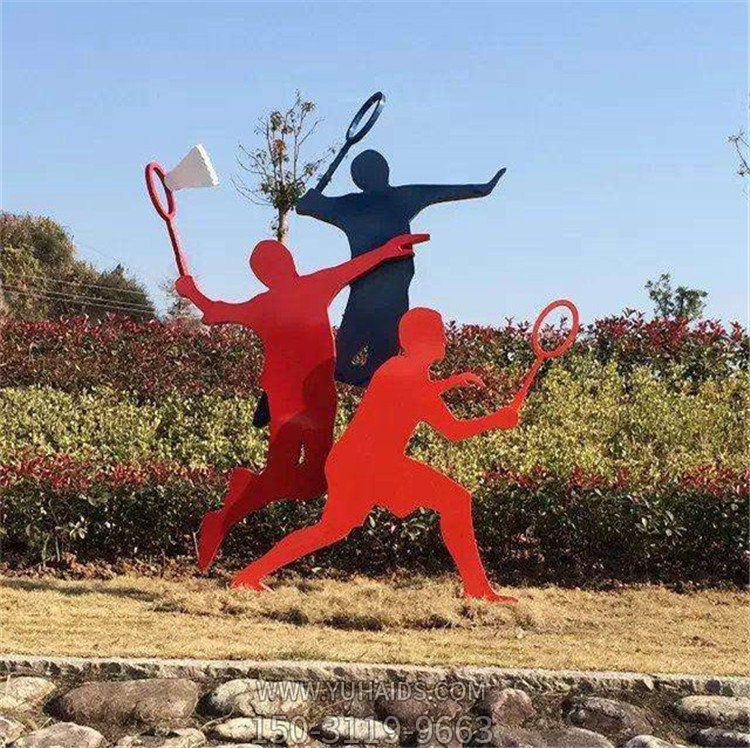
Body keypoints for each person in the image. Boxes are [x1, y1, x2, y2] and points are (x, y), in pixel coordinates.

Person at [230, 307, 530, 602]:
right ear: (422, 340)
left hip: (360, 463)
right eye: (439, 333)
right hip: (368, 465)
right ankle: (477, 589)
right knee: (456, 500)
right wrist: (497, 420)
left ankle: (248, 576)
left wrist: (451, 383)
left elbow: (427, 403)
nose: (444, 339)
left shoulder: (400, 370)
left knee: (329, 530)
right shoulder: (402, 373)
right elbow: (451, 428)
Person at [174, 233, 429, 571]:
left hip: (311, 400)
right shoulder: (307, 288)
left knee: (312, 482)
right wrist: (383, 251)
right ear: (286, 264)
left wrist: (191, 292)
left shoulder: (272, 301)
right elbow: (352, 268)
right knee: (295, 480)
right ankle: (227, 513)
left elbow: (215, 312)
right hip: (298, 401)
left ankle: (237, 500)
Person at [296, 149, 506, 386]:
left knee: (360, 366)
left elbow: (304, 206)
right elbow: (442, 191)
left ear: (357, 179)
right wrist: (482, 188)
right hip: (379, 296)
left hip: (376, 296)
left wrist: (313, 197)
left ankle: (371, 391)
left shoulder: (350, 204)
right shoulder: (395, 198)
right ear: (385, 172)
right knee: (359, 366)